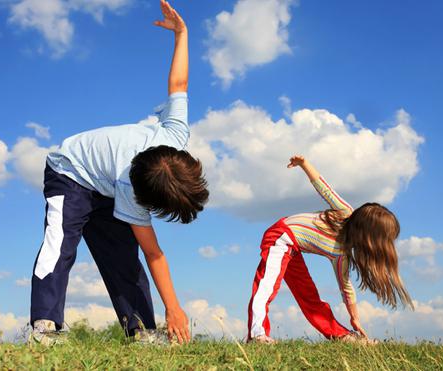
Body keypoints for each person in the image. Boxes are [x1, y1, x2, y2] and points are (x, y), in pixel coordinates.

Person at [29, 0, 206, 345]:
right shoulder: (130, 187)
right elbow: (156, 253)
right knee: (60, 244)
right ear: (143, 197)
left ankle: (141, 331)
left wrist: (182, 34)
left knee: (123, 257)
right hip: (70, 172)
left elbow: (179, 83)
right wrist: (175, 308)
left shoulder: (175, 135)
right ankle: (45, 328)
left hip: (106, 184)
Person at [247, 155, 413, 344]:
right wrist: (304, 164)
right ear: (369, 237)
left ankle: (342, 336)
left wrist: (355, 317)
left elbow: (346, 288)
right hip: (280, 236)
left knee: (310, 297)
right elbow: (323, 187)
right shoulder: (344, 212)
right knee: (267, 286)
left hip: (293, 249)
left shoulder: (341, 255)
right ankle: (257, 335)